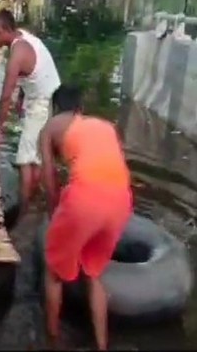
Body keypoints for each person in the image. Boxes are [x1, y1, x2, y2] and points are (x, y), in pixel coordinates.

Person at [39, 85, 133, 350]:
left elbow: (48, 177)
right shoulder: (105, 126)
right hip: (121, 201)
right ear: (80, 109)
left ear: (55, 109)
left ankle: (52, 339)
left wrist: (52, 214)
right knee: (93, 274)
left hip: (85, 199)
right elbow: (113, 164)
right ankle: (102, 345)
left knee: (54, 272)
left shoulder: (51, 127)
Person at [0, 8, 61, 218]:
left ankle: (22, 209)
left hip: (42, 103)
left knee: (24, 159)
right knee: (37, 155)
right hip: (50, 97)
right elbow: (32, 72)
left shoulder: (16, 55)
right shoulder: (25, 37)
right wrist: (23, 98)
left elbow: (5, 96)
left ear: (8, 31)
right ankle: (34, 201)